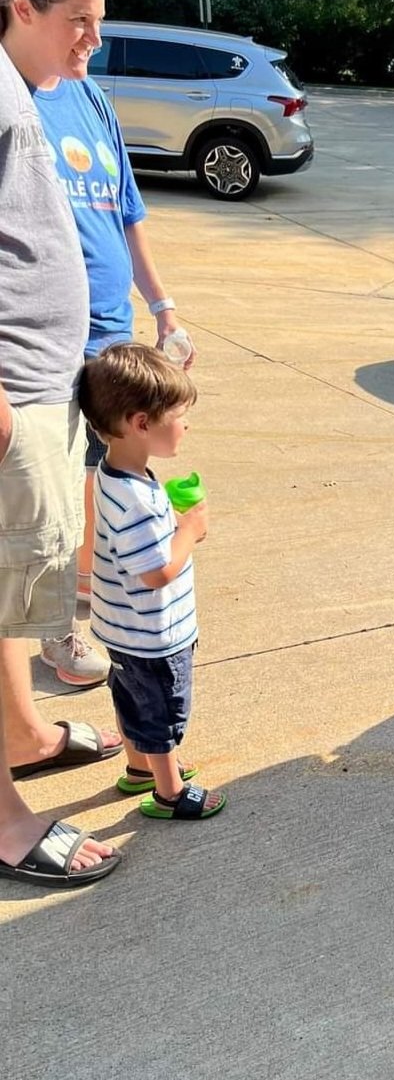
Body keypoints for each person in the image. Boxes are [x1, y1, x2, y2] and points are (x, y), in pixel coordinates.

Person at [1, 0, 192, 688]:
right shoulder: (19, 94)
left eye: (100, 19)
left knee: (103, 481)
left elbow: (127, 211)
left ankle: (89, 601)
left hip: (109, 333)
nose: (95, 37)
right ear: (27, 6)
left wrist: (164, 307)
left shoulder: (88, 98)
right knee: (47, 496)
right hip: (40, 352)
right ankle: (54, 632)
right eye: (79, 17)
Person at [0, 0, 123, 888]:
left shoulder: (24, 83)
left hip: (40, 385)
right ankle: (1, 816)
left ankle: (25, 732)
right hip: (10, 396)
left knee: (14, 597)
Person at [78, 343, 225, 820]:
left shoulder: (118, 475)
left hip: (123, 630)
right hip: (153, 636)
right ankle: (169, 792)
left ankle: (140, 767)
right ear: (142, 423)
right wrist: (190, 530)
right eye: (180, 416)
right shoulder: (135, 501)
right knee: (162, 714)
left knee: (132, 697)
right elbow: (156, 573)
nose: (186, 425)